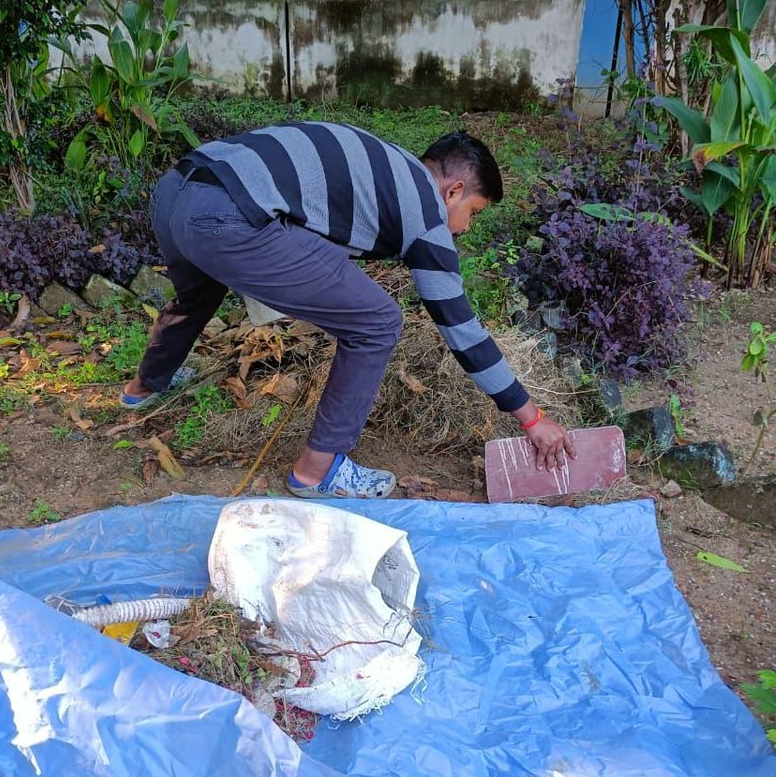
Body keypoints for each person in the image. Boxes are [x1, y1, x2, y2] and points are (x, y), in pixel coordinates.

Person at [121, 122, 576, 498]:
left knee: (196, 295)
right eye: (474, 212)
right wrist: (532, 418)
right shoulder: (425, 208)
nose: (465, 228)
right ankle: (316, 472)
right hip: (230, 215)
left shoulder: (385, 164)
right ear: (454, 191)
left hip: (176, 192)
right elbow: (460, 327)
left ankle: (144, 386)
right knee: (378, 322)